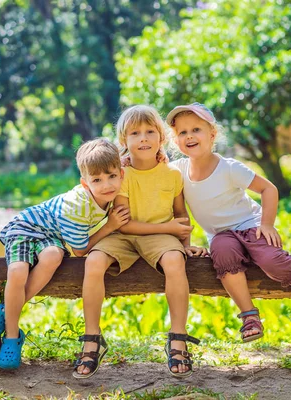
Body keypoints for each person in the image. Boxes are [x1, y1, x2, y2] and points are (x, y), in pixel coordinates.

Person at [165, 102, 291, 343]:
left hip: (249, 225)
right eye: (182, 132)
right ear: (175, 140)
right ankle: (249, 315)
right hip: (221, 235)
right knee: (222, 254)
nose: (189, 136)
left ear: (212, 135)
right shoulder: (177, 171)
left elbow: (268, 189)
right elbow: (167, 189)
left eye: (196, 130)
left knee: (272, 261)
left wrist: (267, 224)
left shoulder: (229, 168)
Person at [73, 105, 207, 379]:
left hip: (160, 237)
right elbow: (124, 222)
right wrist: (167, 226)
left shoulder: (172, 175)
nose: (143, 138)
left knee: (174, 261)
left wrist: (184, 244)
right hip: (125, 235)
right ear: (124, 141)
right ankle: (92, 340)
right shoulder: (121, 175)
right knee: (95, 261)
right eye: (135, 133)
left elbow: (181, 215)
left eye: (149, 132)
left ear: (162, 138)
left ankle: (178, 339)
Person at [0, 138, 130, 370]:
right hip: (25, 227)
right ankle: (12, 335)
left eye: (112, 176)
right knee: (18, 269)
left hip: (51, 237)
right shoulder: (78, 205)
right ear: (85, 183)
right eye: (97, 180)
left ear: (122, 174)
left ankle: (6, 309)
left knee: (53, 256)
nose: (107, 185)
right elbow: (80, 250)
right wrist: (109, 226)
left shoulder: (110, 189)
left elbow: (126, 157)